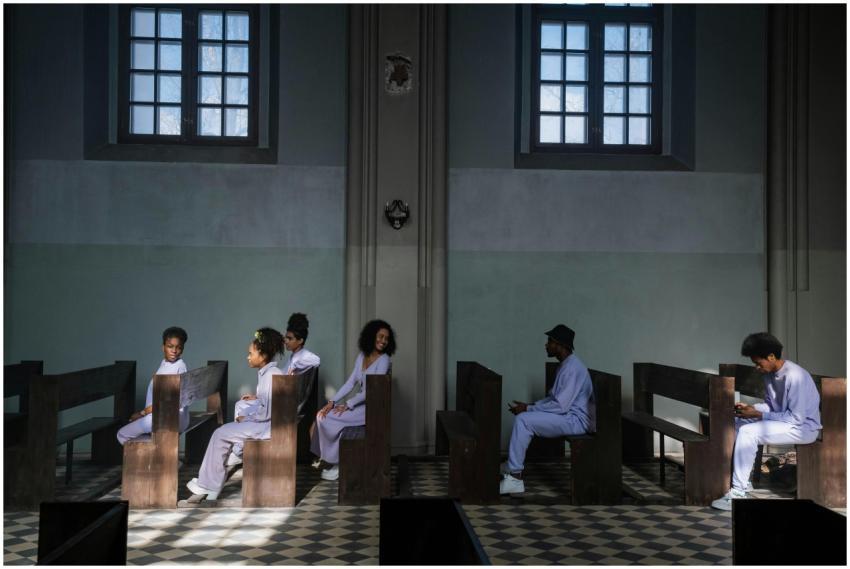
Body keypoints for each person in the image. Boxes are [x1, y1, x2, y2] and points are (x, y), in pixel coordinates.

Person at [711, 332, 821, 511]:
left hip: (804, 428)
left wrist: (758, 415)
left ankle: (738, 493)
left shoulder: (795, 376)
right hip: (787, 423)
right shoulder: (769, 374)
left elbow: (796, 418)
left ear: (771, 357)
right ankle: (743, 482)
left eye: (758, 363)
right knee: (738, 424)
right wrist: (751, 409)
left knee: (749, 432)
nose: (756, 367)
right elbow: (772, 407)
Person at [186, 327, 285, 500]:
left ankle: (208, 484)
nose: (248, 357)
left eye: (250, 353)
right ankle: (218, 476)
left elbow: (266, 413)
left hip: (267, 427)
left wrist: (246, 418)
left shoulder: (270, 376)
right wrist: (252, 404)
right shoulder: (269, 373)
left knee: (220, 433)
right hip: (267, 423)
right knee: (240, 407)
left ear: (262, 355)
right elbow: (267, 402)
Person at [500, 324, 595, 495]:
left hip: (576, 421)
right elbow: (554, 400)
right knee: (524, 417)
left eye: (550, 341)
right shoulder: (566, 364)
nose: (546, 345)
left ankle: (514, 478)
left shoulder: (573, 368)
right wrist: (530, 406)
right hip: (567, 416)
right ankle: (511, 467)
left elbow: (560, 406)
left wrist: (528, 409)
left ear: (561, 345)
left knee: (523, 421)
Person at [226, 313, 321, 466]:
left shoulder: (301, 356)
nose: (286, 341)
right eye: (286, 337)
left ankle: (240, 450)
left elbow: (316, 360)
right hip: (280, 399)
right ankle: (241, 448)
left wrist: (294, 369)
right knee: (242, 404)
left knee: (241, 408)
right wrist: (258, 396)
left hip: (283, 408)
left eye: (290, 338)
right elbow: (278, 378)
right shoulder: (293, 357)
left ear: (300, 341)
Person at [310, 319, 395, 481]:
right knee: (323, 415)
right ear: (371, 336)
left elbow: (373, 390)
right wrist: (332, 402)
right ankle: (335, 461)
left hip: (372, 409)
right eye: (380, 336)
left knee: (328, 418)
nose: (383, 341)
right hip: (359, 405)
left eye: (386, 338)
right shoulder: (362, 355)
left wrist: (348, 405)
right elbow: (350, 382)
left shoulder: (384, 360)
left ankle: (339, 464)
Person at [117, 326, 189, 445]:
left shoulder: (177, 368)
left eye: (178, 347)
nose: (174, 351)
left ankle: (143, 462)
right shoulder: (168, 364)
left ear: (182, 349)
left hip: (165, 418)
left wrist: (141, 414)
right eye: (170, 346)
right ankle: (151, 459)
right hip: (176, 418)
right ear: (163, 347)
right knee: (142, 433)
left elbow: (165, 403)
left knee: (121, 434)